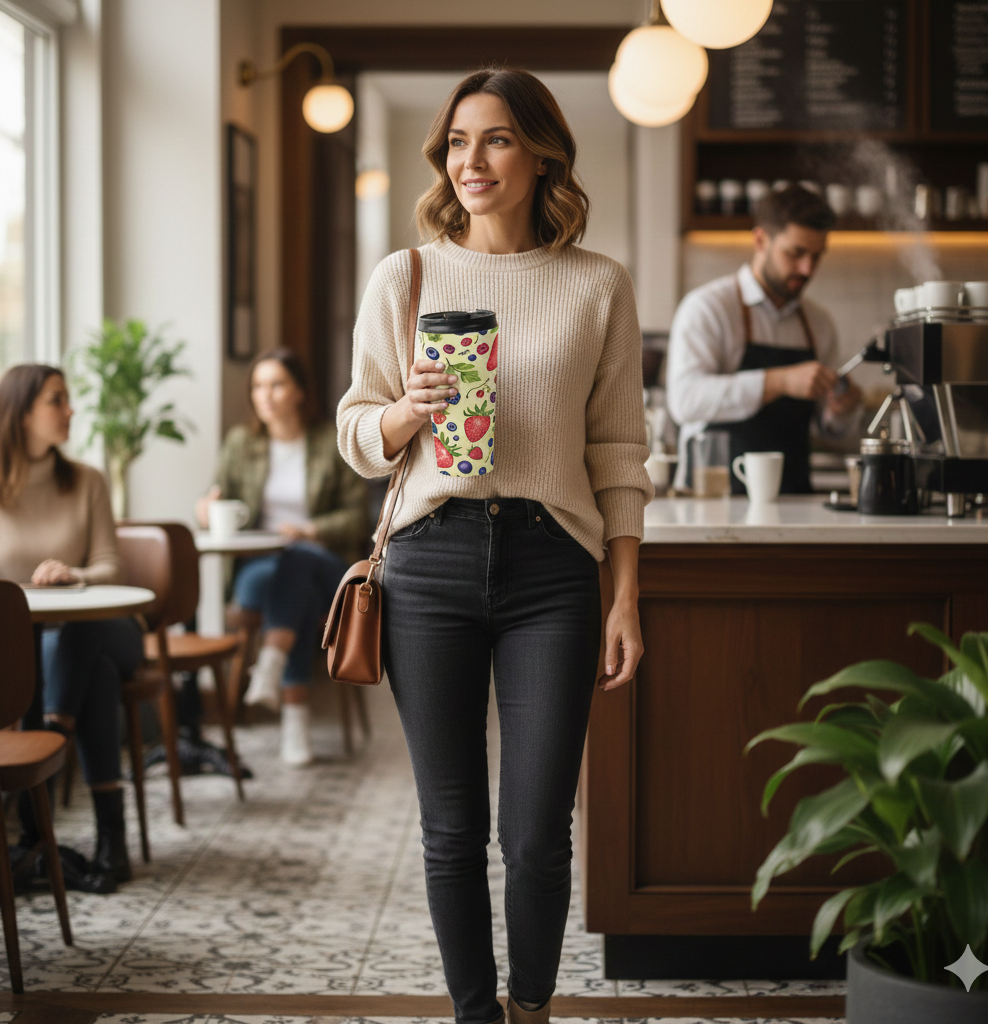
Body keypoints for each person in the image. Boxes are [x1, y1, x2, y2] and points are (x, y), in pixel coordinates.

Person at [336, 67, 652, 1024]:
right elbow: (355, 431)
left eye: (498, 139)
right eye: (458, 142)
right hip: (428, 560)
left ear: (543, 155)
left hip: (554, 567)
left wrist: (625, 597)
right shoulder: (406, 276)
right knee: (450, 829)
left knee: (539, 833)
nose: (471, 161)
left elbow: (618, 453)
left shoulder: (598, 284)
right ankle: (477, 1017)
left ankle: (531, 1010)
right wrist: (405, 412)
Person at [0, 363, 141, 894]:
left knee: (85, 636)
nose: (70, 410)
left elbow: (112, 567)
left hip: (106, 629)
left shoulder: (87, 481)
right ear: (21, 413)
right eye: (56, 400)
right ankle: (111, 841)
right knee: (94, 675)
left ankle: (52, 744)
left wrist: (73, 576)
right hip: (27, 648)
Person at [196, 348, 367, 766]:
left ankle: (270, 663)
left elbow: (358, 516)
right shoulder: (241, 443)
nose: (265, 395)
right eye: (258, 386)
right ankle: (294, 720)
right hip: (261, 567)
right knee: (296, 591)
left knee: (298, 561)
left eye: (276, 384)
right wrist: (205, 510)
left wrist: (311, 530)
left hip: (324, 561)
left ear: (299, 392)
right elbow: (216, 500)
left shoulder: (331, 440)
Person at [666, 184, 863, 494]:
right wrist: (780, 381)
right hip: (713, 501)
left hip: (795, 501)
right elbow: (685, 401)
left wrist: (841, 411)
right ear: (760, 240)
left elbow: (828, 431)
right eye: (795, 253)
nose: (807, 268)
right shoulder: (709, 307)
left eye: (816, 256)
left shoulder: (819, 323)